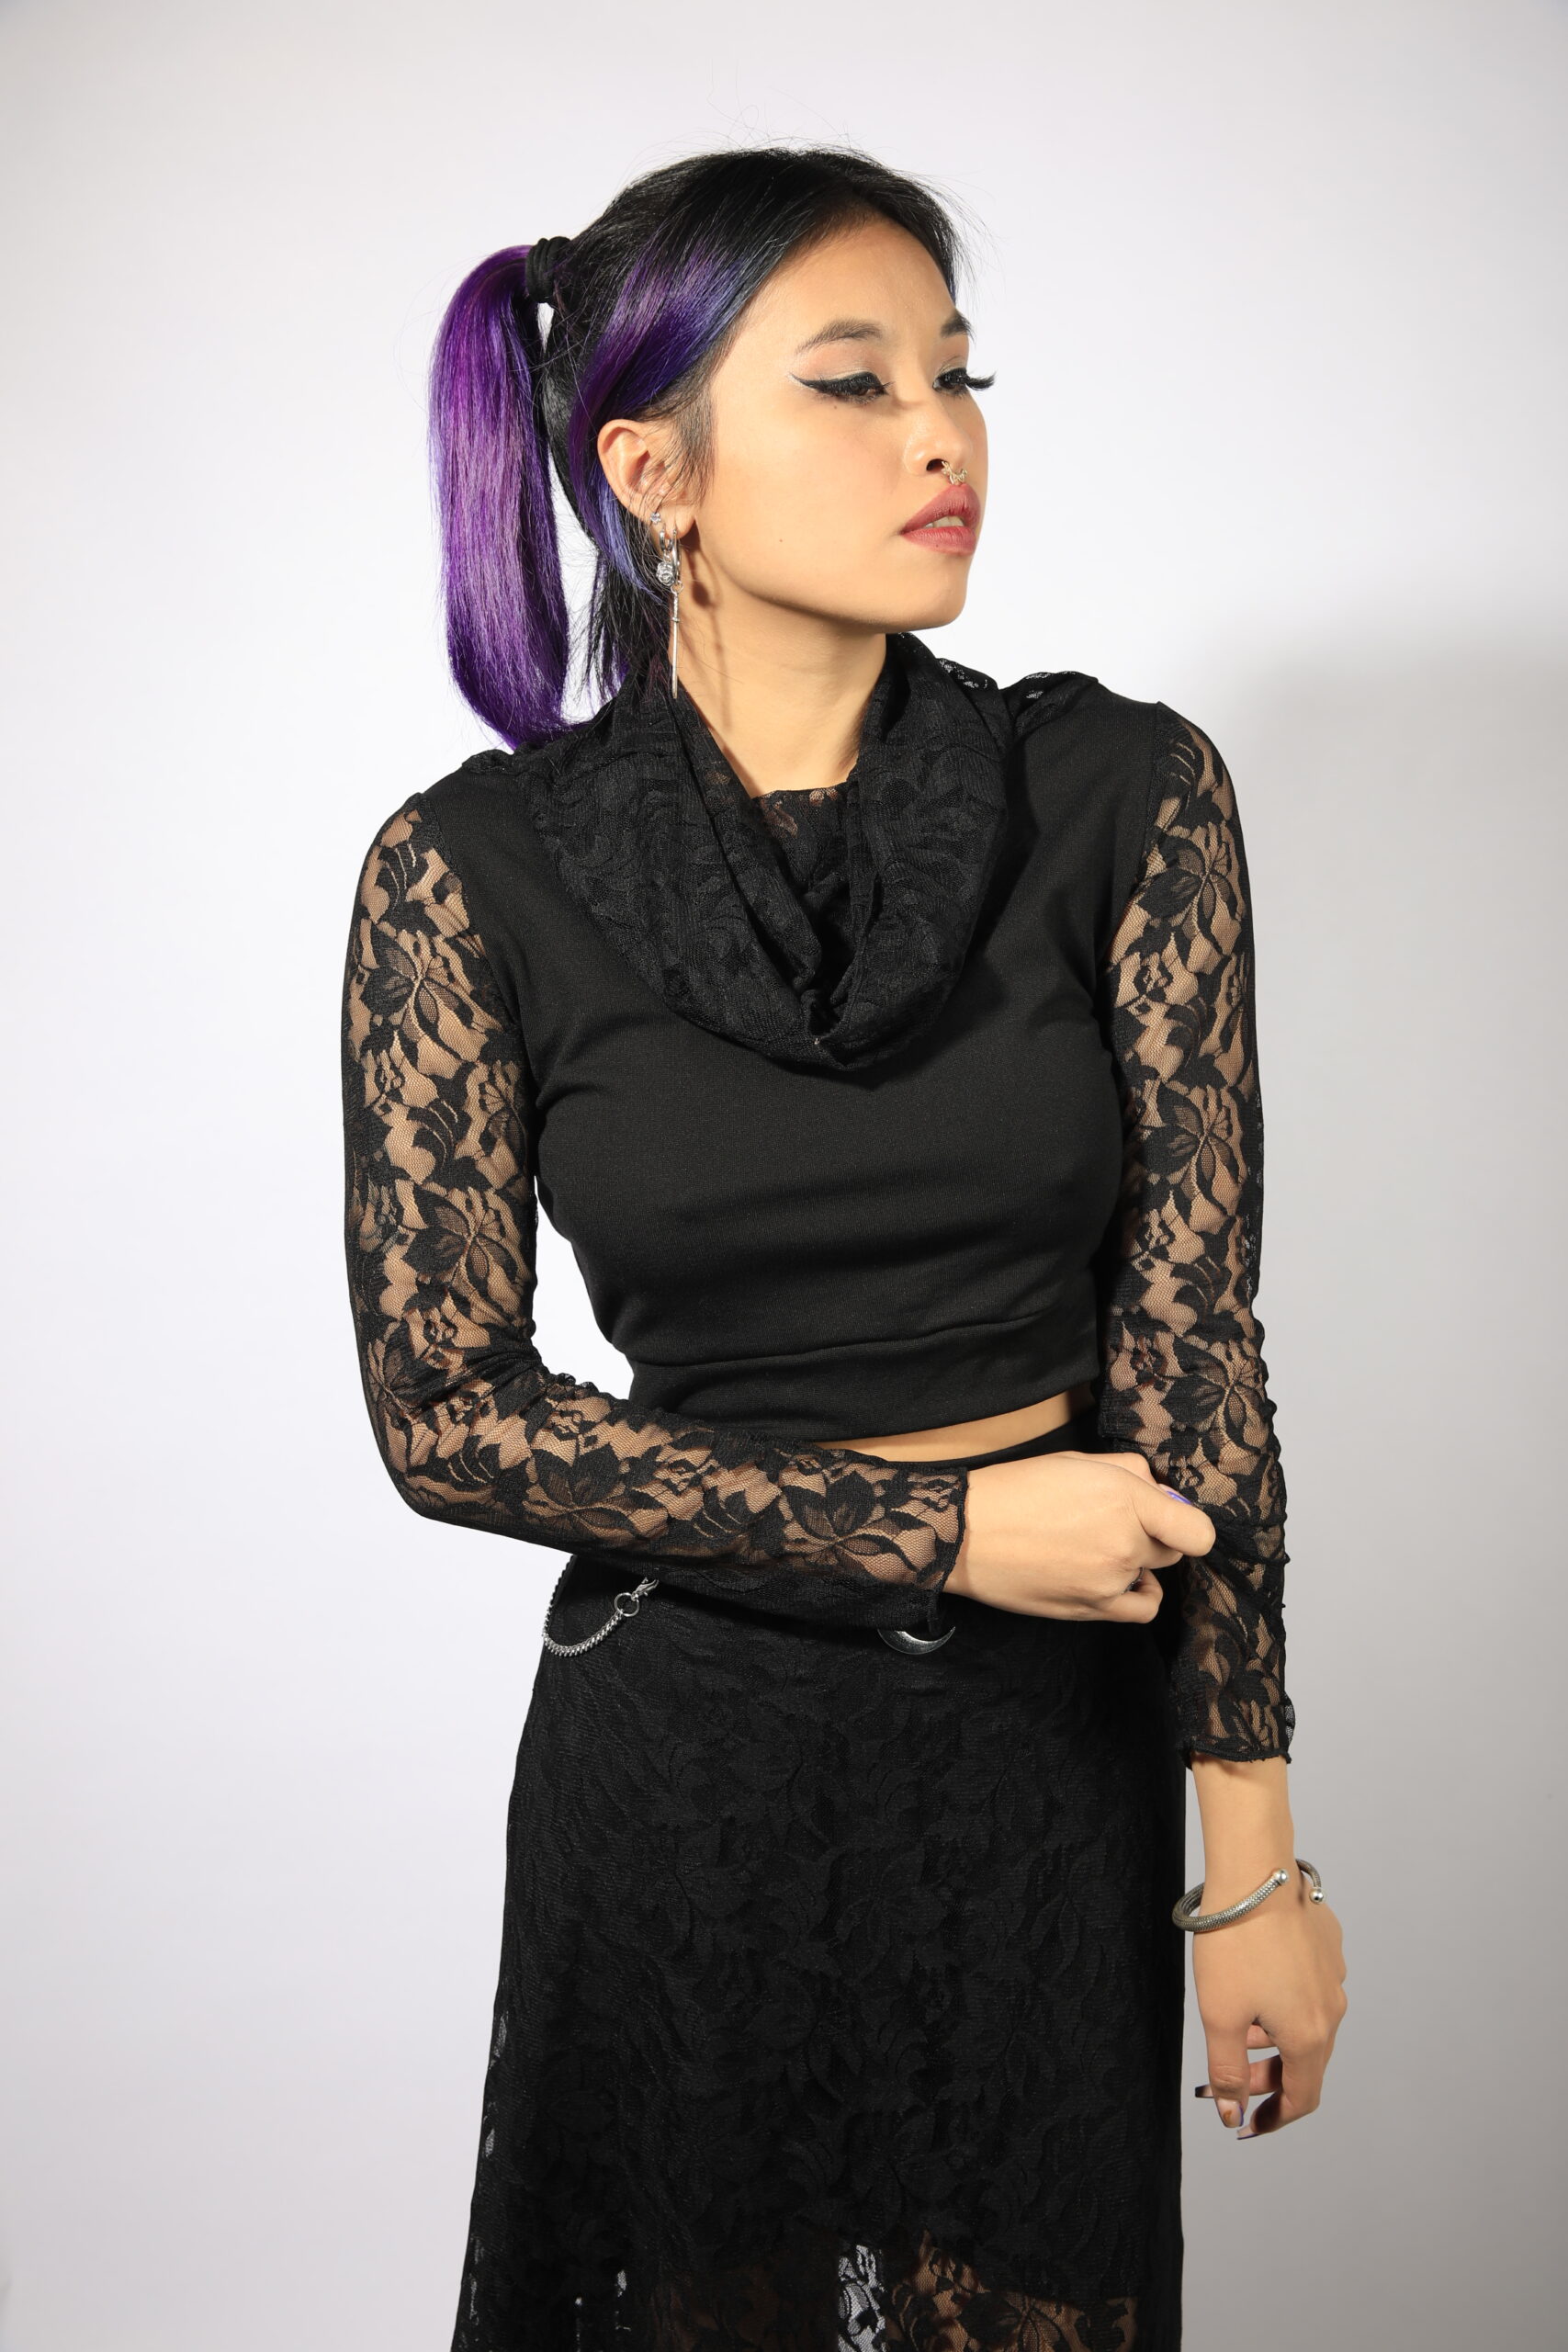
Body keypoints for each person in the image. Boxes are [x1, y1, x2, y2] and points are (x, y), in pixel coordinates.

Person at [339, 144, 1346, 2352]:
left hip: (1037, 1767)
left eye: (957, 377)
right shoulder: (470, 869)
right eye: (854, 380)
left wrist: (1249, 1852)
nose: (939, 435)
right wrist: (948, 1529)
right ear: (652, 474)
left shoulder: (1121, 794)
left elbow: (1192, 1349)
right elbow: (448, 1415)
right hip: (684, 1767)